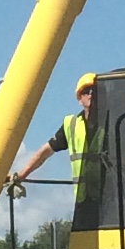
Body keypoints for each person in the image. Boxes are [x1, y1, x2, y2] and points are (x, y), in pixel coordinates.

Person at [9, 73, 102, 204]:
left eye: (95, 91)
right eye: (86, 91)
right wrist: (21, 176)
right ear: (79, 99)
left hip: (110, 198)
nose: (91, 94)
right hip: (84, 199)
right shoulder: (71, 125)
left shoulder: (113, 122)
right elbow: (44, 152)